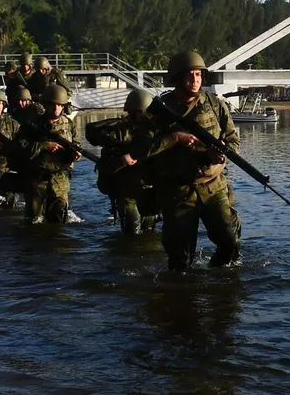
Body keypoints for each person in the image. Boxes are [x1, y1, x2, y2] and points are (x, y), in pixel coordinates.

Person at [123, 52, 240, 270]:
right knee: (180, 259)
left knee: (229, 242)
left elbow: (232, 138)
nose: (195, 80)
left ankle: (223, 288)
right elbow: (139, 149)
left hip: (213, 186)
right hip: (176, 191)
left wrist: (221, 152)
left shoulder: (215, 105)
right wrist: (174, 139)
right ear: (177, 78)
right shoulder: (158, 111)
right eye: (189, 75)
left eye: (198, 75)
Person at [89, 88, 156, 234]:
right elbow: (104, 167)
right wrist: (123, 160)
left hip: (149, 191)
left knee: (150, 233)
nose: (145, 117)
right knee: (132, 233)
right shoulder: (116, 134)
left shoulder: (153, 132)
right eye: (141, 113)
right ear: (133, 112)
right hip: (126, 193)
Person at [13, 84, 79, 223]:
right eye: (52, 105)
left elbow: (77, 144)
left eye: (60, 105)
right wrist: (43, 145)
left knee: (59, 220)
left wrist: (75, 154)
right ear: (45, 105)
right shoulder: (32, 125)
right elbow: (19, 147)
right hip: (36, 180)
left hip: (59, 179)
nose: (56, 109)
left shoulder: (69, 124)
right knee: (33, 221)